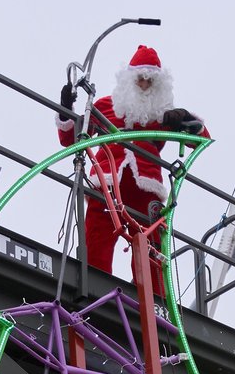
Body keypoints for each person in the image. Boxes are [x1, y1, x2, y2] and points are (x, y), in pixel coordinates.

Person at [56, 45, 210, 295]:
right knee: (96, 240)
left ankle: (154, 299)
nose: (145, 83)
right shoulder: (106, 105)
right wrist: (66, 107)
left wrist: (184, 118)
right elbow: (70, 139)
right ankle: (94, 288)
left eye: (150, 80)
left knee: (151, 249)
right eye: (140, 77)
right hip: (107, 185)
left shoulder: (163, 117)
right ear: (130, 78)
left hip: (146, 188)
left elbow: (201, 139)